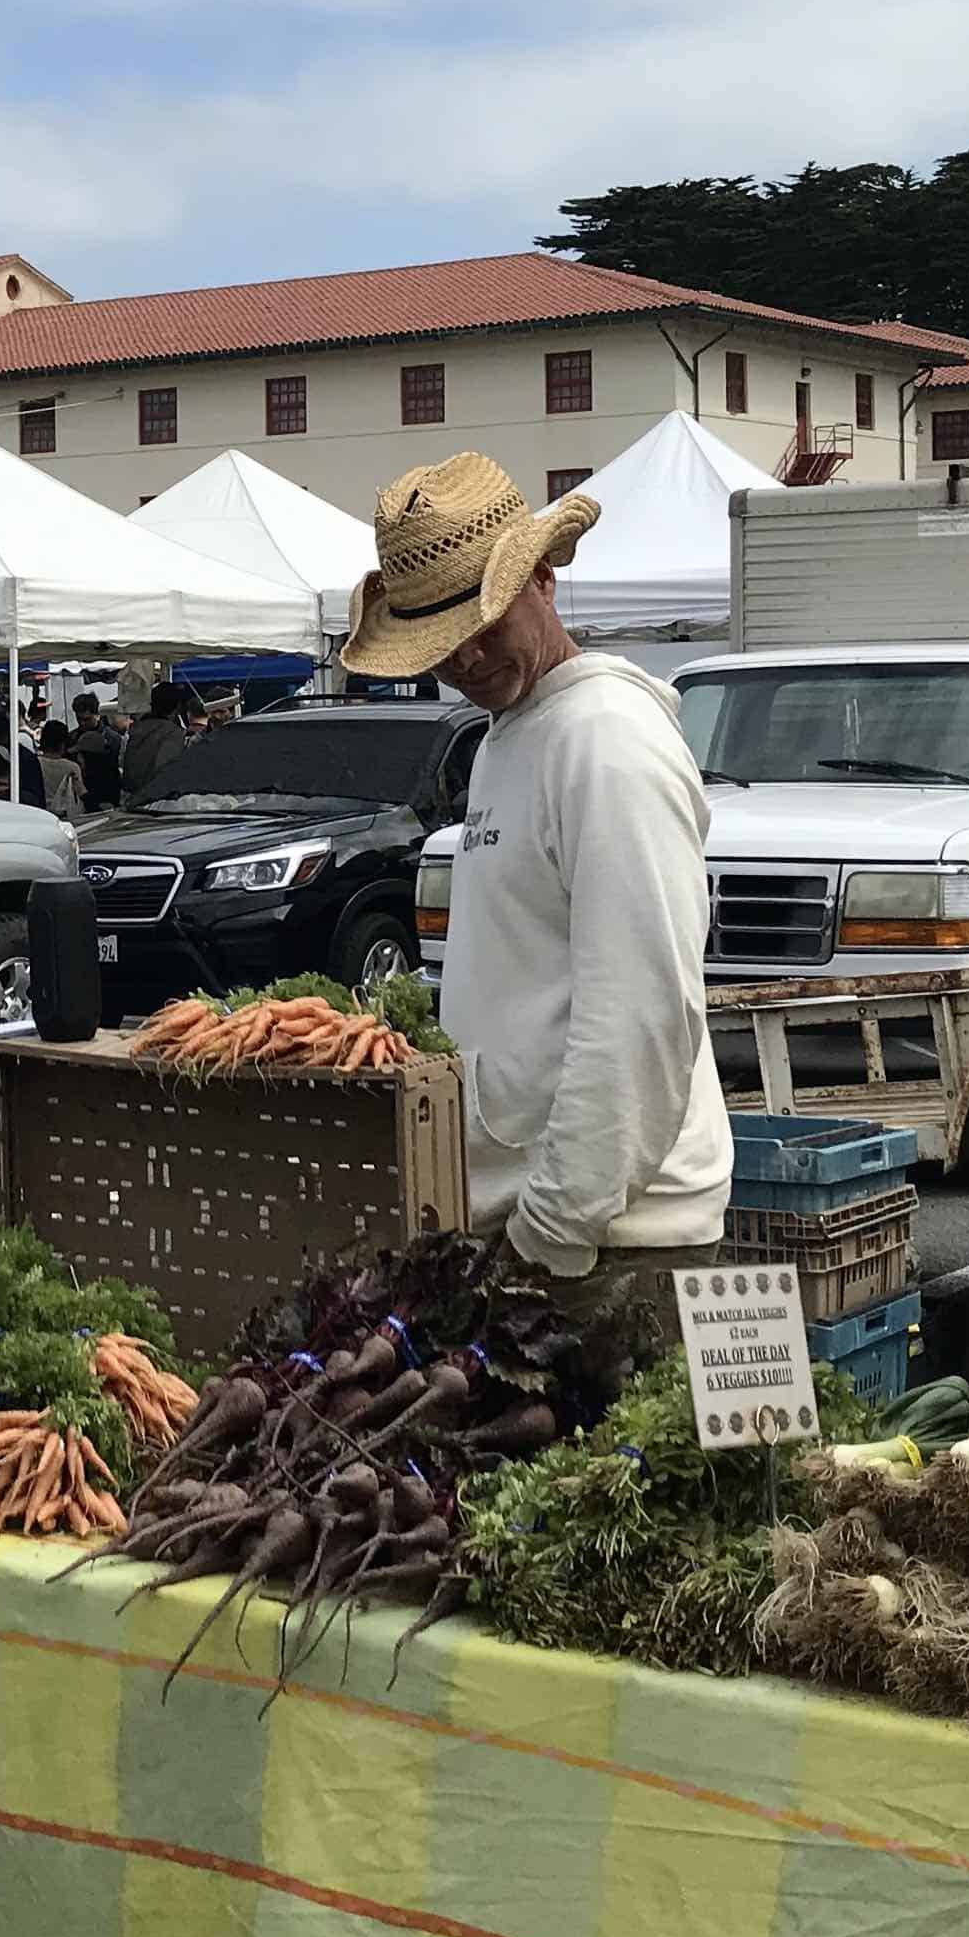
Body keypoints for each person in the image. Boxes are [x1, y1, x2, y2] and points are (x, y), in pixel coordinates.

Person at [341, 454, 729, 1337]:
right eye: (441, 644)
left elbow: (640, 1011)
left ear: (544, 581)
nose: (466, 658)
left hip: (609, 1238)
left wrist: (551, 1228)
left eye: (483, 624)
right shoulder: (513, 734)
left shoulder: (607, 742)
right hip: (557, 1222)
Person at [118, 683, 203, 805]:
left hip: (129, 800)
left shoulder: (133, 732)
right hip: (157, 803)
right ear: (177, 707)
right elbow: (165, 770)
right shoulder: (174, 734)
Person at [67, 691, 126, 810]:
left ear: (97, 715)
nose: (82, 723)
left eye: (87, 719)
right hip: (78, 797)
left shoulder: (113, 739)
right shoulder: (71, 738)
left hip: (107, 796)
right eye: (79, 719)